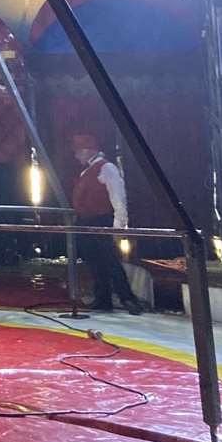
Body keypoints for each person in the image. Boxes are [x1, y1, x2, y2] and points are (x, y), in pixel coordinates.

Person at [70, 133, 143, 314]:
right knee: (95, 262)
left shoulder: (106, 168)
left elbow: (118, 197)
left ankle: (127, 298)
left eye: (78, 152)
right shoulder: (87, 171)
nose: (76, 156)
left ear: (87, 151)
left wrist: (119, 225)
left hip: (100, 220)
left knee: (109, 261)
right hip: (86, 221)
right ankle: (103, 298)